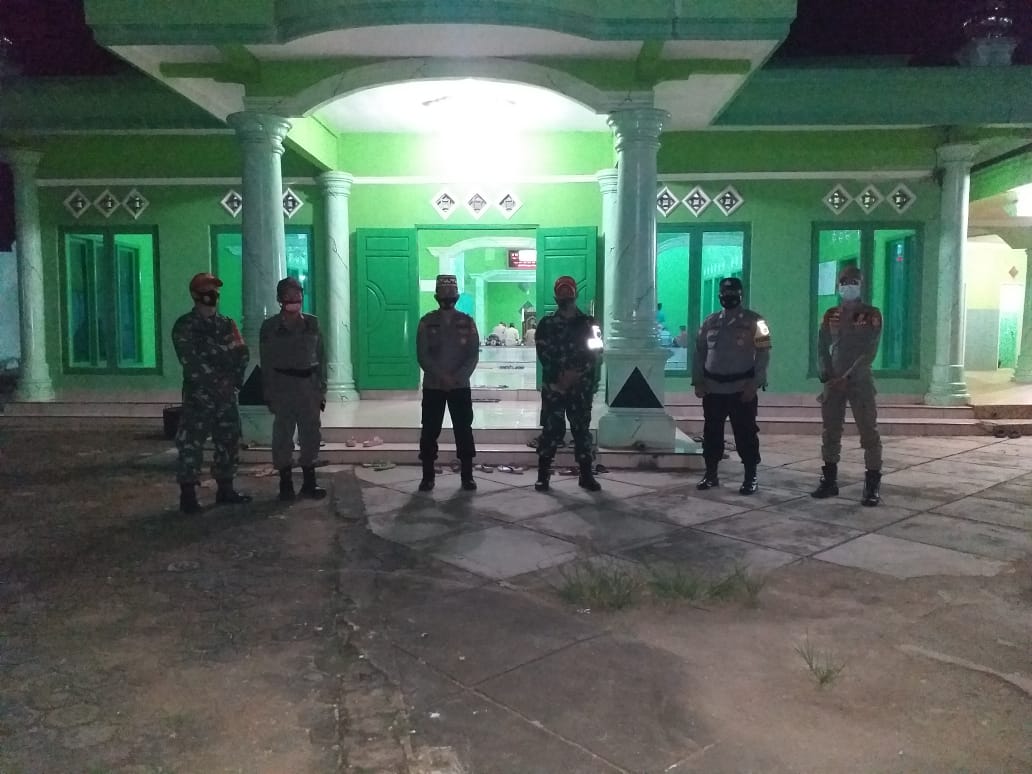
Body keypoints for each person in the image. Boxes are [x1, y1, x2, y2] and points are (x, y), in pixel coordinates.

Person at [171, 272, 251, 513]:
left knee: (229, 440)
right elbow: (191, 361)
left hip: (226, 396)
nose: (213, 295)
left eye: (215, 290)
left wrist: (233, 382)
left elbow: (242, 353)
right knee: (191, 444)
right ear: (196, 294)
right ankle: (188, 495)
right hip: (200, 396)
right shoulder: (185, 326)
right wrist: (217, 381)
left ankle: (225, 489)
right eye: (207, 290)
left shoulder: (227, 324)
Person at [692, 277, 771, 495]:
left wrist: (755, 383)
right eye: (725, 293)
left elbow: (764, 353)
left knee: (746, 434)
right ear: (719, 295)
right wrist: (698, 380)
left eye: (733, 293)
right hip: (713, 389)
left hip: (742, 389)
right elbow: (699, 352)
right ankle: (711, 474)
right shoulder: (709, 321)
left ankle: (750, 476)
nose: (728, 297)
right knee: (712, 434)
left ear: (741, 295)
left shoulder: (757, 321)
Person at [812, 266, 883, 506]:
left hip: (859, 382)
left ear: (861, 285)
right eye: (843, 281)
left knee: (868, 433)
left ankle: (872, 485)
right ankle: (829, 481)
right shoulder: (830, 314)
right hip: (833, 383)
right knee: (830, 432)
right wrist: (827, 375)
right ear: (837, 286)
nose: (848, 285)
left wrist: (848, 377)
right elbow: (822, 347)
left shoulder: (871, 315)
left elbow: (869, 351)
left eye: (853, 281)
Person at [260, 276, 327, 502]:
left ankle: (309, 482)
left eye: (297, 294)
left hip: (309, 386)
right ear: (280, 299)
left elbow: (321, 357)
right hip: (283, 386)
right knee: (283, 436)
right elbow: (266, 361)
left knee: (311, 434)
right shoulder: (270, 327)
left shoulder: (312, 323)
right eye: (288, 295)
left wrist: (322, 389)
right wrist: (268, 392)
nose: (294, 298)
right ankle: (285, 484)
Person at [534, 275, 603, 492]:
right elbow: (543, 353)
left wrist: (576, 374)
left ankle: (586, 475)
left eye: (568, 291)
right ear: (556, 297)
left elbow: (596, 352)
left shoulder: (590, 324)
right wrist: (560, 377)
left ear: (575, 294)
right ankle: (543, 476)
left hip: (580, 387)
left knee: (581, 430)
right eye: (561, 292)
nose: (565, 295)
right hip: (554, 387)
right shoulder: (546, 324)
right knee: (551, 430)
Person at [416, 274, 481, 492]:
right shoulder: (426, 322)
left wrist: (457, 377)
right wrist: (441, 376)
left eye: (451, 292)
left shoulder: (467, 322)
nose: (447, 296)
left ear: (457, 295)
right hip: (433, 386)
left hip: (459, 386)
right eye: (443, 292)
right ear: (436, 296)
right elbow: (422, 355)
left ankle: (467, 476)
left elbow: (473, 355)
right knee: (429, 430)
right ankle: (427, 476)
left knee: (463, 430)